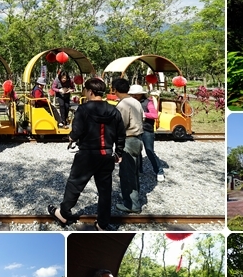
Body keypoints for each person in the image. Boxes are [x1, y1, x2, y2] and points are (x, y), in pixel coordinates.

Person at [48, 77, 125, 232]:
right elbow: (121, 134)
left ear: (90, 91)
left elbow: (76, 132)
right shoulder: (114, 110)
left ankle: (63, 213)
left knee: (75, 184)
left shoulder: (83, 109)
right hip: (106, 154)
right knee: (105, 191)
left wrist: (71, 137)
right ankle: (102, 224)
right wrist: (119, 152)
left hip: (87, 154)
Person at [111, 77, 143, 213]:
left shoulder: (123, 105)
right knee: (134, 172)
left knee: (127, 174)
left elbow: (120, 126)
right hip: (138, 139)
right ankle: (132, 197)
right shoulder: (136, 102)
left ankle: (131, 205)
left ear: (115, 90)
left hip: (128, 140)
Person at [131, 85, 165, 182]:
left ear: (141, 94)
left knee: (149, 151)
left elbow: (154, 115)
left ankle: (159, 171)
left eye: (136, 94)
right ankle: (139, 170)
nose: (134, 96)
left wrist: (143, 114)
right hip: (135, 128)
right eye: (133, 94)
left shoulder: (148, 102)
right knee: (137, 152)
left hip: (147, 129)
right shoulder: (132, 102)